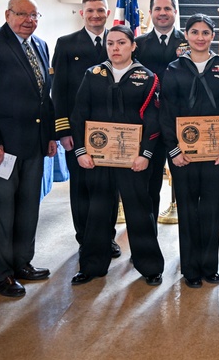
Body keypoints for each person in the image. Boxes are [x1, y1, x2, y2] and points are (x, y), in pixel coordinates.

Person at [0, 0, 57, 298]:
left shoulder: (40, 45)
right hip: (0, 148)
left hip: (33, 145)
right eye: (22, 14)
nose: (29, 20)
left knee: (28, 207)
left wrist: (49, 137)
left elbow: (45, 97)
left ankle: (22, 264)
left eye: (34, 15)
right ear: (7, 14)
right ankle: (0, 274)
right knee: (0, 211)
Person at [68, 26, 164, 286]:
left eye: (121, 43)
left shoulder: (147, 77)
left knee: (139, 213)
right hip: (98, 159)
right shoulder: (93, 75)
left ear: (133, 45)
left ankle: (150, 267)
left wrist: (145, 154)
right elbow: (78, 116)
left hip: (133, 160)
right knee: (97, 212)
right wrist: (81, 151)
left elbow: (155, 121)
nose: (115, 48)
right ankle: (91, 266)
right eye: (110, 43)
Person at [159, 15, 219, 288]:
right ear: (186, 34)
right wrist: (172, 149)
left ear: (212, 35)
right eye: (194, 32)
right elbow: (166, 112)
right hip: (182, 155)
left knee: (210, 210)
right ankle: (190, 268)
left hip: (215, 155)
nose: (200, 37)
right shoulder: (173, 69)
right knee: (187, 210)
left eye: (206, 32)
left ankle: (209, 266)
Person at [51, 0, 121, 259]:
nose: (95, 15)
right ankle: (85, 238)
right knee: (81, 187)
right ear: (82, 14)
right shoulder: (67, 44)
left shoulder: (117, 42)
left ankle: (108, 237)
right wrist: (64, 130)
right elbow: (58, 91)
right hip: (78, 130)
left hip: (111, 130)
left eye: (100, 11)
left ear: (107, 13)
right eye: (90, 11)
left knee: (109, 187)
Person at [134, 0, 189, 217]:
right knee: (148, 186)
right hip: (149, 124)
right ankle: (148, 246)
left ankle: (188, 250)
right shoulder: (137, 44)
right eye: (158, 9)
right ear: (150, 13)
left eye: (167, 9)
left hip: (180, 124)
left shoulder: (189, 41)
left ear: (175, 12)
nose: (163, 13)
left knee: (185, 187)